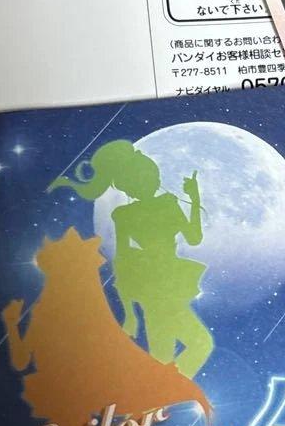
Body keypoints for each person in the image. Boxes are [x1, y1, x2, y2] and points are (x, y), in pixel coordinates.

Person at [48, 140, 213, 378]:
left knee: (174, 352)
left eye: (152, 176)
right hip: (153, 287)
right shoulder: (126, 214)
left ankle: (164, 391)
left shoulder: (167, 205)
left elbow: (194, 238)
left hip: (168, 282)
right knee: (189, 346)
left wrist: (195, 199)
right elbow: (122, 262)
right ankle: (165, 391)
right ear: (129, 185)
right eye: (142, 178)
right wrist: (129, 314)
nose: (151, 181)